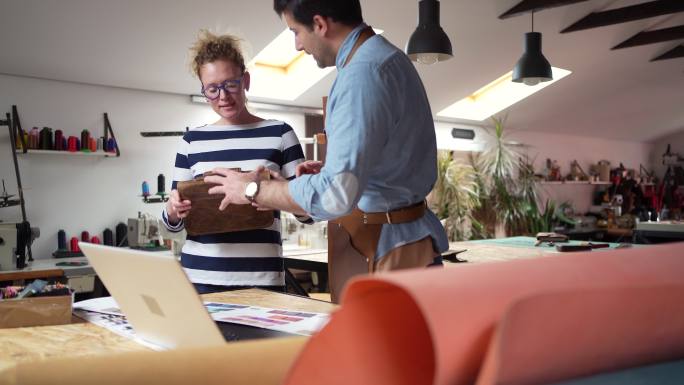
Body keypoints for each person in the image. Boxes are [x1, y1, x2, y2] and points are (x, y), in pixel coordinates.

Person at [204, 0, 448, 302]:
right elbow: (378, 165)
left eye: (295, 31)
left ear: (320, 25)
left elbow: (334, 195)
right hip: (399, 244)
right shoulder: (385, 58)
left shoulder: (362, 75)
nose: (296, 45)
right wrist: (326, 173)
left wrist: (253, 189)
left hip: (390, 251)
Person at [162, 30, 307, 294]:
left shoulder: (280, 133)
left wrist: (282, 190)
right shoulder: (191, 140)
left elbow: (309, 209)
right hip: (199, 279)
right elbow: (172, 222)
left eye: (230, 84)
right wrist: (173, 210)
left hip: (262, 279)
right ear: (203, 89)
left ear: (246, 80)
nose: (223, 97)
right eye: (212, 89)